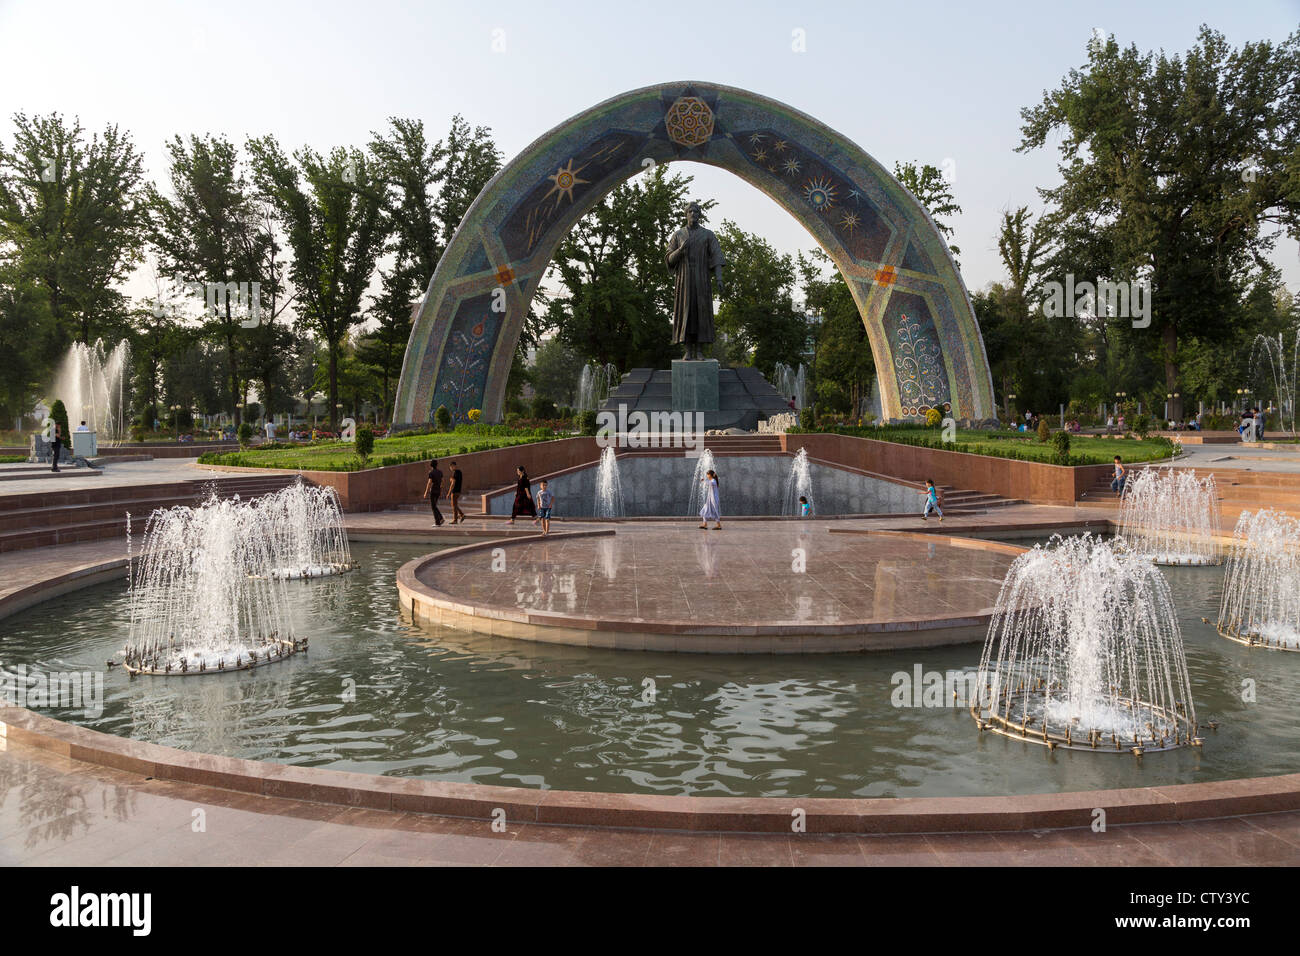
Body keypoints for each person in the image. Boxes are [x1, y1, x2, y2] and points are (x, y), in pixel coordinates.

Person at [423, 459, 445, 527]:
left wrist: (426, 492)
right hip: (438, 490)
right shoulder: (440, 472)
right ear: (437, 465)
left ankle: (437, 522)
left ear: (431, 465)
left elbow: (429, 483)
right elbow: (443, 481)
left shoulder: (431, 472)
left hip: (433, 490)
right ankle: (440, 518)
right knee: (434, 506)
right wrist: (441, 490)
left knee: (433, 507)